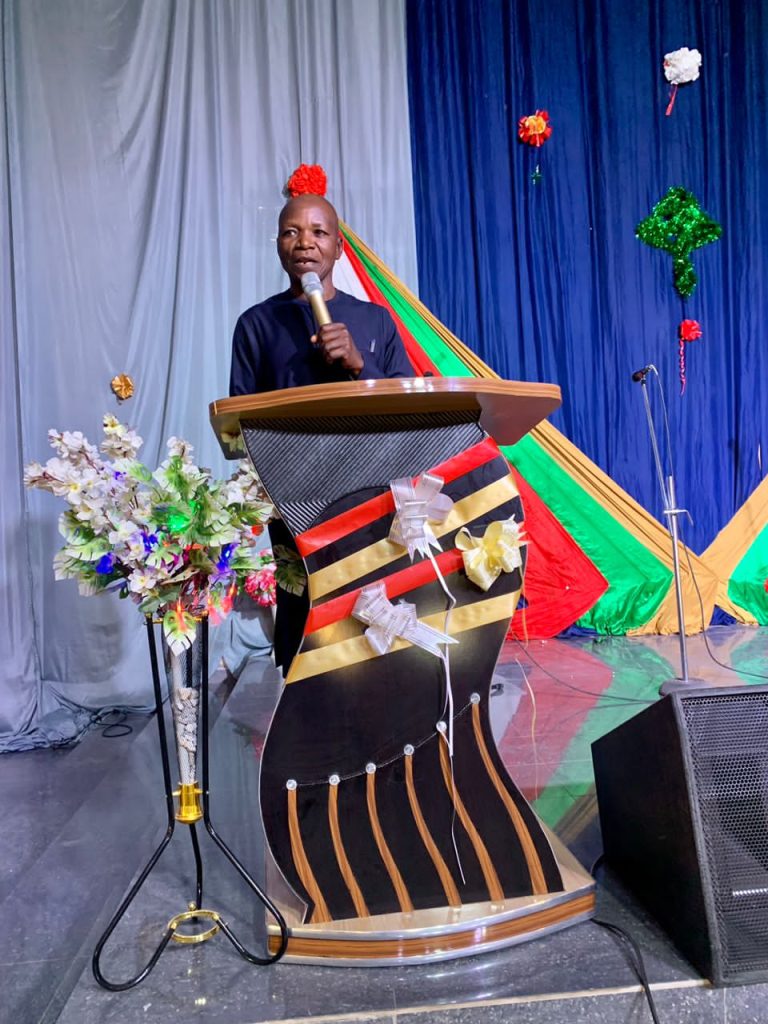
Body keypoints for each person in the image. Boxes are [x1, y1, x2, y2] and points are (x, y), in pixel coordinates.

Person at [229, 193, 414, 672]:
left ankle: (379, 700)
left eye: (318, 232)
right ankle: (300, 703)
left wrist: (359, 363)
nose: (305, 243)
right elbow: (239, 425)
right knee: (302, 610)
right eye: (291, 232)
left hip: (368, 494)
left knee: (372, 607)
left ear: (338, 247)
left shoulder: (375, 320)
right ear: (278, 244)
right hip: (293, 498)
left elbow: (408, 407)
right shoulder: (255, 324)